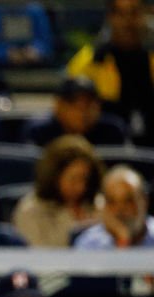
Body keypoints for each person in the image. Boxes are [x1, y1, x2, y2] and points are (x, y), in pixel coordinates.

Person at [67, 0, 154, 146]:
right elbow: (69, 115)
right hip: (103, 149)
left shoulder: (151, 58)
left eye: (134, 12)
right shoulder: (89, 62)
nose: (128, 21)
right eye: (120, 14)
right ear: (110, 17)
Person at [12, 135, 104, 246]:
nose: (81, 186)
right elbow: (35, 256)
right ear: (54, 177)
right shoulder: (30, 211)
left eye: (85, 178)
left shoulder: (98, 204)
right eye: (73, 179)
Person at [24, 77, 128, 147]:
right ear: (58, 105)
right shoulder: (39, 132)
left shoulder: (112, 131)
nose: (84, 111)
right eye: (75, 104)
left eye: (89, 104)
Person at [74, 165, 154, 248]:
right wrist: (123, 239)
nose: (120, 209)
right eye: (112, 201)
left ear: (144, 202)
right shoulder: (89, 243)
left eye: (128, 200)